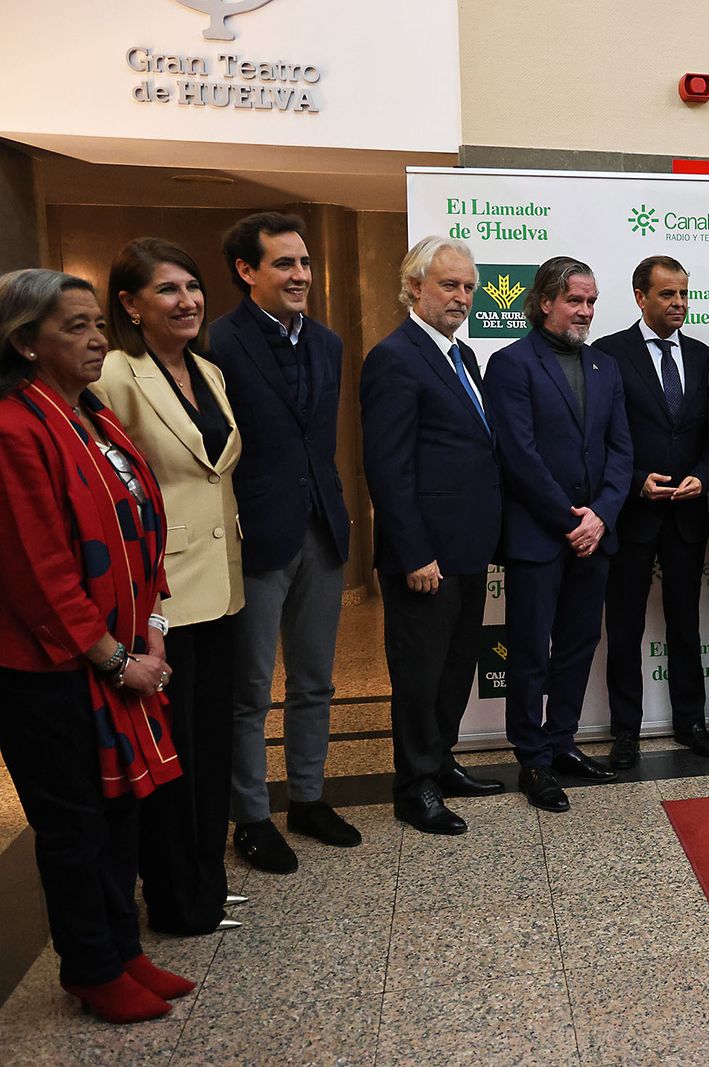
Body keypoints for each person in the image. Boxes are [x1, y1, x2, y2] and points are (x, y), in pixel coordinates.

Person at [0, 269, 195, 1023]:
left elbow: (137, 524)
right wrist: (117, 657)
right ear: (24, 342)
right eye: (75, 327)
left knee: (122, 810)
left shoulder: (90, 413)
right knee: (75, 823)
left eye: (97, 326)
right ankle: (89, 965)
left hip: (119, 648)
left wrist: (150, 625)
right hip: (47, 671)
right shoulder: (15, 426)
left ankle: (124, 949)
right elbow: (40, 570)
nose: (96, 340)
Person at [94, 238, 246, 936]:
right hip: (160, 595)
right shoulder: (115, 377)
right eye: (166, 290)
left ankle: (207, 885)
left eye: (193, 286)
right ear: (129, 304)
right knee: (171, 748)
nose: (187, 300)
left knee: (211, 741)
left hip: (222, 588)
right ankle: (177, 898)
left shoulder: (209, 372)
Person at [208, 211, 359, 873]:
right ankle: (250, 813)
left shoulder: (327, 343)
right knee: (249, 689)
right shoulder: (217, 343)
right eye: (285, 264)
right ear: (246, 271)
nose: (301, 274)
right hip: (252, 534)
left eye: (304, 262)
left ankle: (307, 795)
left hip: (321, 527)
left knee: (315, 679)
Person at [360, 237, 505, 835]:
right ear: (415, 286)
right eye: (450, 285)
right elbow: (388, 468)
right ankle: (413, 786)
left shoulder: (462, 357)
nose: (462, 297)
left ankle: (440, 761)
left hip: (468, 547)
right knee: (419, 675)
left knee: (454, 669)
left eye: (469, 286)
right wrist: (415, 551)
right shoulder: (395, 357)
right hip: (425, 556)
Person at [484, 256, 632, 813]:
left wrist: (601, 516)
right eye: (576, 301)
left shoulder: (604, 367)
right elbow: (518, 457)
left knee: (577, 645)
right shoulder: (510, 363)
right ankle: (533, 759)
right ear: (545, 301)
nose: (586, 312)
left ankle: (562, 742)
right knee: (529, 651)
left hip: (596, 534)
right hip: (539, 537)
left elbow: (622, 450)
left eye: (592, 302)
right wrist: (572, 521)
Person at [592, 255, 709, 768]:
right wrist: (633, 482)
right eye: (668, 295)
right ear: (641, 297)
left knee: (685, 625)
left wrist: (705, 477)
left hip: (688, 515)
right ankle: (625, 730)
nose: (679, 304)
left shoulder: (705, 356)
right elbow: (599, 435)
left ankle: (692, 722)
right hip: (630, 512)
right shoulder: (608, 353)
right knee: (623, 627)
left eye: (685, 294)